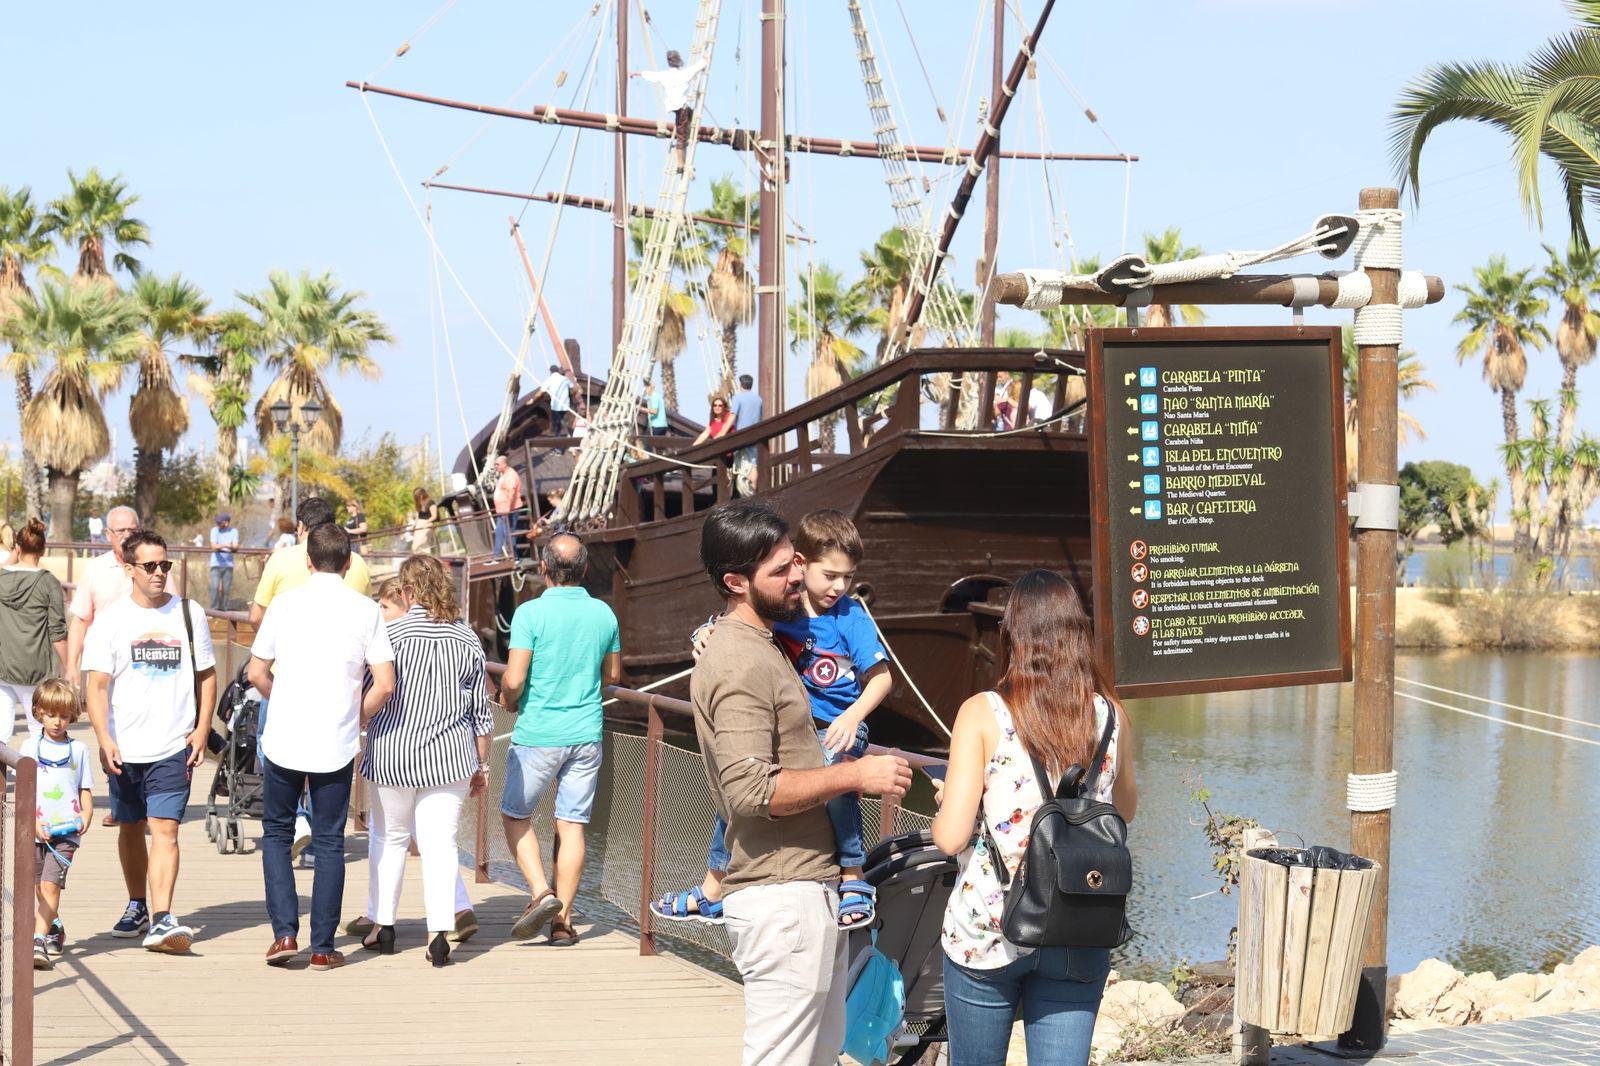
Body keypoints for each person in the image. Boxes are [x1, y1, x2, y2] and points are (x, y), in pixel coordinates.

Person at [691, 502, 911, 1065]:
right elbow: (749, 789)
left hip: (805, 891)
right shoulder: (742, 661)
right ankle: (712, 885)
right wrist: (856, 773)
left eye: (795, 564)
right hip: (781, 896)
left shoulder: (765, 641)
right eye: (783, 570)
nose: (798, 578)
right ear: (736, 583)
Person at [930, 569, 1138, 1066]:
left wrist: (952, 802)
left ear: (1013, 636)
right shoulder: (1110, 715)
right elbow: (1122, 812)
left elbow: (950, 837)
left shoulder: (983, 712)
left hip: (990, 931)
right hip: (1079, 923)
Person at [656, 510, 892, 929]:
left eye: (847, 578)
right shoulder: (786, 609)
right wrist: (705, 632)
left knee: (836, 776)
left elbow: (881, 678)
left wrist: (854, 717)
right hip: (798, 726)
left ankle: (853, 874)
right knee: (736, 793)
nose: (838, 587)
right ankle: (714, 885)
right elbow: (743, 620)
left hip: (837, 724)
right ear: (802, 562)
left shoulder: (849, 616)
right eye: (829, 575)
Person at [247, 524, 396, 971]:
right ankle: (323, 946)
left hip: (284, 738)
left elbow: (257, 672)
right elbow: (385, 683)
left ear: (308, 561)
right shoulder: (366, 610)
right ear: (349, 563)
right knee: (330, 840)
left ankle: (284, 934)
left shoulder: (285, 604)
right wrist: (358, 713)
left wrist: (286, 699)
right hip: (337, 740)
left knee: (276, 834)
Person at [83, 529, 216, 954]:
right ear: (129, 569)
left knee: (166, 829)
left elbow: (207, 676)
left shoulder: (189, 614)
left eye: (165, 565)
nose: (159, 573)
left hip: (172, 745)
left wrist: (200, 728)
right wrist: (104, 738)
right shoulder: (110, 621)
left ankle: (162, 919)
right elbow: (97, 686)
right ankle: (137, 903)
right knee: (130, 826)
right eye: (150, 566)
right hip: (124, 745)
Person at [357, 558, 493, 966]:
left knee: (390, 839)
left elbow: (371, 688)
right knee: (440, 846)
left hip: (392, 755)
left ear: (409, 592)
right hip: (449, 756)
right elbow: (479, 711)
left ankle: (384, 927)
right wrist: (482, 765)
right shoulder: (466, 638)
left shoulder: (389, 633)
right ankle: (438, 934)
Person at [499, 533, 620, 946]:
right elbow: (614, 677)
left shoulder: (530, 613)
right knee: (571, 825)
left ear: (544, 568)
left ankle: (540, 893)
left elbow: (514, 678)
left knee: (515, 814)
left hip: (539, 733)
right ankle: (563, 923)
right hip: (587, 732)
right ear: (585, 570)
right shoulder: (604, 613)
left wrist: (506, 697)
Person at [251, 497, 374, 861]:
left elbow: (258, 615)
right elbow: (368, 631)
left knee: (269, 745)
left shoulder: (282, 559)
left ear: (303, 531)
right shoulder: (360, 565)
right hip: (342, 689)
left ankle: (298, 821)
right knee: (330, 770)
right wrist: (361, 712)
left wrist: (275, 638)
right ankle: (320, 835)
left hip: (285, 679)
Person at [23, 679, 94, 970]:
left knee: (51, 885)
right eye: (51, 714)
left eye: (64, 716)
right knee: (37, 885)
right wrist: (33, 821)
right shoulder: (30, 746)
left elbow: (84, 787)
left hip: (66, 832)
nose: (57, 721)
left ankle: (37, 939)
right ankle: (53, 925)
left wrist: (86, 815)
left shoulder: (78, 750)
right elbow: (26, 790)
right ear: (39, 712)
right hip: (37, 829)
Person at [0, 518, 68, 742]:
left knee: (1, 733)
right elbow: (57, 631)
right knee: (37, 730)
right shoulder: (48, 583)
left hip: (3, 667)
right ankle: (36, 775)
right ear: (43, 548)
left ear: (17, 546)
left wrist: (14, 554)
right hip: (36, 670)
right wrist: (68, 667)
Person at [65, 505, 140, 677]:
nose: (127, 536)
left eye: (132, 530)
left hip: (141, 662)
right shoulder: (95, 568)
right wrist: (71, 666)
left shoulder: (155, 568)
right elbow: (80, 621)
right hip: (101, 665)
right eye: (120, 530)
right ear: (108, 534)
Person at [631, 49, 708, 171]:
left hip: (675, 107)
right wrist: (704, 60)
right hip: (681, 107)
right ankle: (680, 164)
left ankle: (691, 134)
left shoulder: (664, 75)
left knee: (691, 115)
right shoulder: (682, 74)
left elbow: (652, 75)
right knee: (681, 135)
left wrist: (637, 73)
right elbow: (696, 67)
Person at [727, 373, 763, 494]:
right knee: (753, 464)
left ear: (740, 384)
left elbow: (732, 416)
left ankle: (741, 492)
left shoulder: (738, 398)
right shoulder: (758, 399)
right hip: (755, 434)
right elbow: (760, 417)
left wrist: (722, 432)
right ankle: (753, 490)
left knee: (739, 462)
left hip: (741, 435)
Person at [491, 454, 523, 560]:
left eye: (497, 464)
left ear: (504, 464)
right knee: (500, 532)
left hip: (509, 510)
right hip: (502, 510)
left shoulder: (510, 475)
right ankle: (497, 556)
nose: (496, 466)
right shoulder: (504, 475)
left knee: (509, 533)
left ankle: (515, 557)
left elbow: (511, 491)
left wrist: (508, 509)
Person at [529, 364, 575, 436]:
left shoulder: (549, 380)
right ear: (558, 371)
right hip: (566, 405)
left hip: (556, 406)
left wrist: (532, 400)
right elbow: (573, 389)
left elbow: (540, 393)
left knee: (556, 423)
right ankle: (567, 433)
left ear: (550, 372)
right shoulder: (565, 379)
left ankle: (559, 438)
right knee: (561, 419)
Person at [209, 513, 239, 610]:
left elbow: (235, 546)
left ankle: (224, 610)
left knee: (226, 589)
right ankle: (213, 609)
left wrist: (230, 546)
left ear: (226, 523)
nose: (218, 525)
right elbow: (213, 546)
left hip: (228, 565)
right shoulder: (214, 531)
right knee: (214, 587)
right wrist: (225, 545)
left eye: (220, 523)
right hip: (215, 564)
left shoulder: (234, 531)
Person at [408, 487, 438, 554]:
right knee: (415, 546)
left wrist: (425, 523)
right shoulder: (418, 504)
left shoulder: (430, 503)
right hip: (419, 525)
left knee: (422, 543)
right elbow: (417, 517)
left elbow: (434, 516)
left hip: (427, 524)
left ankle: (425, 557)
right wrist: (414, 525)